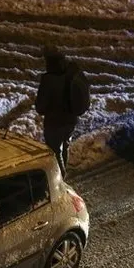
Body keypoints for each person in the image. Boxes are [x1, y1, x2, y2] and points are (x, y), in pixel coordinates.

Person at [35, 45, 91, 178]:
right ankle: (63, 168)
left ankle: (61, 177)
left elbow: (40, 107)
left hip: (54, 124)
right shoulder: (71, 73)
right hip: (70, 121)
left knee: (54, 152)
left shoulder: (48, 80)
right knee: (65, 146)